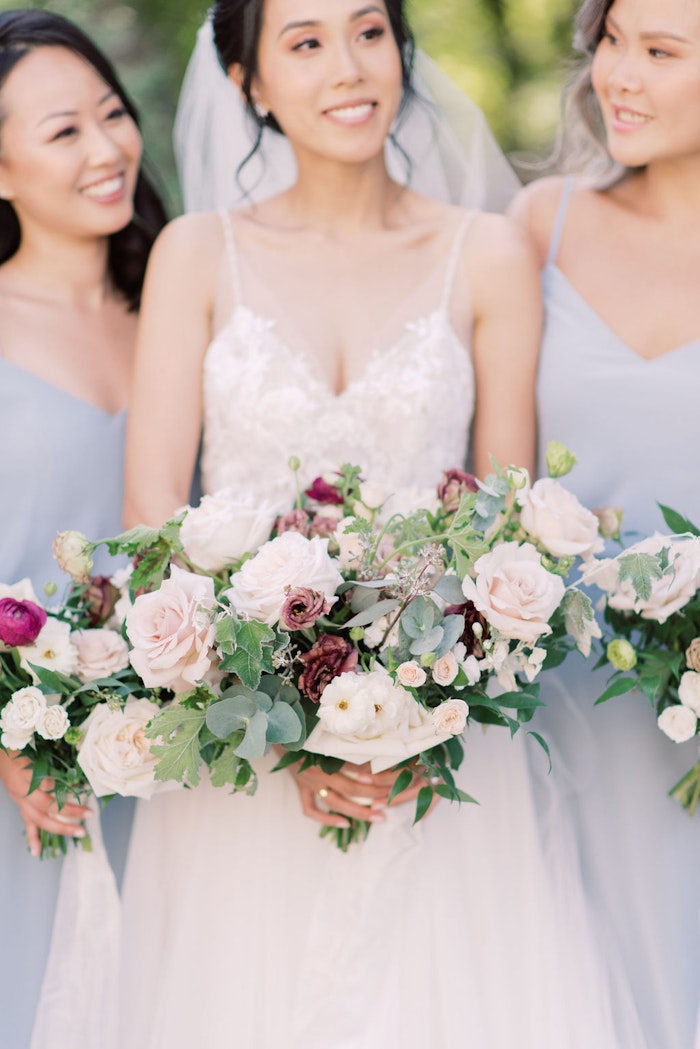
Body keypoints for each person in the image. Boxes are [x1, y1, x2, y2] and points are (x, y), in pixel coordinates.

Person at [111, 2, 641, 1046]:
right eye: (304, 43)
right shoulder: (193, 254)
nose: (348, 69)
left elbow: (503, 528)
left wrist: (414, 710)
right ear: (246, 80)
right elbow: (151, 520)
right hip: (245, 760)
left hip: (438, 754)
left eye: (367, 32)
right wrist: (287, 727)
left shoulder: (486, 254)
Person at [510, 0, 700, 1045]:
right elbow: (487, 480)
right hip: (564, 707)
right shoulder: (544, 224)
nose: (616, 75)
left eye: (659, 52)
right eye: (613, 41)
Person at [0, 10, 167, 1047]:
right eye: (65, 131)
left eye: (112, 113)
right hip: (25, 776)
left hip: (184, 764)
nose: (108, 148)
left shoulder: (182, 309)